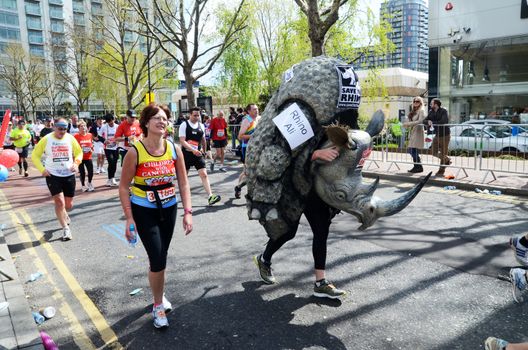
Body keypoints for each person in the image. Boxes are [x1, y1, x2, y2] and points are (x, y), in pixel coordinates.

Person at [119, 103, 192, 329]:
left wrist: (188, 212)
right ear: (146, 123)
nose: (162, 122)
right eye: (157, 118)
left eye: (165, 118)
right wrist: (129, 218)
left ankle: (158, 291)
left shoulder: (173, 149)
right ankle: (158, 305)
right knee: (158, 257)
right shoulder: (135, 151)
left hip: (169, 207)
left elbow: (183, 182)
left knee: (160, 257)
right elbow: (123, 187)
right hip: (143, 209)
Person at [31, 118, 82, 241]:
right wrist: (42, 169)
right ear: (54, 127)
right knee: (59, 202)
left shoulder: (70, 138)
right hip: (52, 175)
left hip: (68, 175)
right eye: (60, 128)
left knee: (68, 205)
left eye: (65, 129)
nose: (62, 131)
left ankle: (64, 214)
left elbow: (79, 152)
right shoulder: (46, 139)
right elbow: (35, 156)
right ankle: (65, 229)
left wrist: (76, 163)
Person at [178, 107, 221, 205]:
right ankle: (181, 195)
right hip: (186, 154)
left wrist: (204, 151)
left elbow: (203, 140)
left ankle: (210, 196)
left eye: (198, 115)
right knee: (184, 177)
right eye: (195, 115)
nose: (197, 117)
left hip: (198, 154)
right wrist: (193, 150)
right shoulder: (184, 125)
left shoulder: (201, 125)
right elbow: (182, 140)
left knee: (204, 174)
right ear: (190, 114)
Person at [234, 103, 259, 199]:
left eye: (257, 109)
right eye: (254, 109)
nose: (256, 111)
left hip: (257, 148)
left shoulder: (258, 119)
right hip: (247, 148)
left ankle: (239, 187)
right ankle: (240, 188)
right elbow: (240, 136)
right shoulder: (246, 121)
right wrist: (254, 136)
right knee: (248, 171)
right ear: (248, 111)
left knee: (250, 171)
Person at [424, 98, 451, 176]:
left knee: (443, 152)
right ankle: (447, 160)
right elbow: (424, 121)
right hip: (437, 135)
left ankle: (441, 171)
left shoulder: (443, 111)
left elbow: (444, 121)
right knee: (433, 151)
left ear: (436, 104)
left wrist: (432, 123)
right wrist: (428, 121)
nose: (430, 105)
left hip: (445, 135)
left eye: (431, 104)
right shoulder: (431, 112)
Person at [403, 96, 426, 173]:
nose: (415, 103)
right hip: (413, 131)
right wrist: (407, 122)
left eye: (417, 101)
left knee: (412, 149)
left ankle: (418, 166)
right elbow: (410, 121)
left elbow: (420, 121)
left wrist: (409, 124)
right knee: (411, 149)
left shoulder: (421, 111)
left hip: (418, 132)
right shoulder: (414, 111)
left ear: (420, 103)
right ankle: (417, 166)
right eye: (414, 101)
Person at [74, 120, 95, 192]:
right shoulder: (76, 136)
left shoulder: (90, 135)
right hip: (80, 157)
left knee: (91, 171)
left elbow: (92, 144)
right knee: (82, 172)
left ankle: (89, 183)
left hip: (88, 156)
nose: (83, 127)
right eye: (81, 126)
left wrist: (92, 149)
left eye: (84, 126)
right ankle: (83, 185)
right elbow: (73, 146)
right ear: (78, 128)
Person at [100, 113, 119, 186]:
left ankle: (112, 178)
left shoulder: (117, 127)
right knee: (111, 162)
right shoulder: (104, 127)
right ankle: (109, 179)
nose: (110, 123)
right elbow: (99, 135)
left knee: (114, 163)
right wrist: (105, 141)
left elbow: (121, 135)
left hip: (116, 147)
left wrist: (118, 140)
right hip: (107, 148)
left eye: (111, 121)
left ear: (113, 120)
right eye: (108, 122)